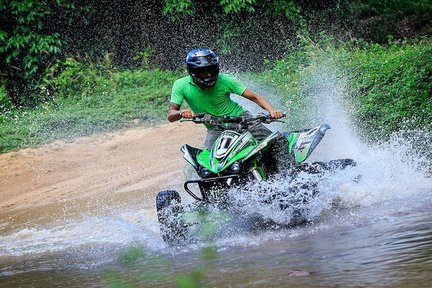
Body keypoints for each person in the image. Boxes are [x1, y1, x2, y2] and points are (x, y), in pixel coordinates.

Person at [167, 47, 285, 150]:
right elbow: (171, 115)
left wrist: (272, 110)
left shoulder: (226, 80)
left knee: (275, 142)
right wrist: (181, 113)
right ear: (193, 72)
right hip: (215, 128)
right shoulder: (180, 85)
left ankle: (292, 169)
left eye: (211, 70)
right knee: (209, 162)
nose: (208, 75)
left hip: (242, 120)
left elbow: (255, 97)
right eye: (203, 72)